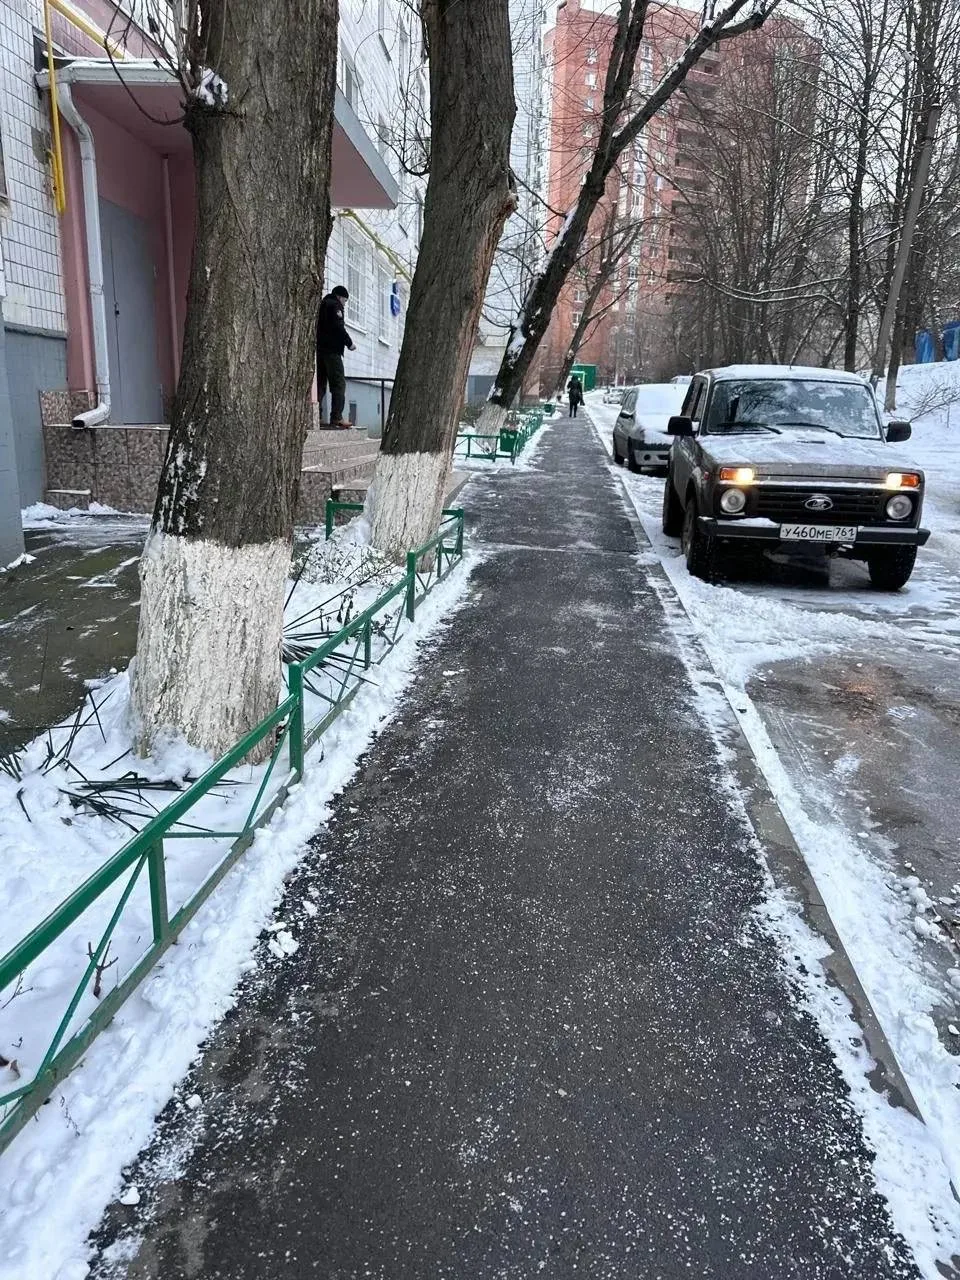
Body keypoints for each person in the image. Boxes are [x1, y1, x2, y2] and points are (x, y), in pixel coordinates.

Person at [316, 285, 356, 429]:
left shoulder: (322, 304)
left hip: (319, 351)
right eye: (345, 301)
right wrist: (349, 343)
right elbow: (338, 327)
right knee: (338, 384)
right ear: (339, 297)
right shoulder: (335, 306)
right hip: (332, 351)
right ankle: (337, 417)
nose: (344, 304)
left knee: (320, 383)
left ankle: (316, 416)